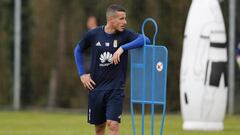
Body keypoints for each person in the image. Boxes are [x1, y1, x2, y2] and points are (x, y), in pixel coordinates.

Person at [74, 4, 150, 135]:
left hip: (116, 89)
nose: (125, 22)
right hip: (96, 88)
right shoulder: (94, 34)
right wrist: (82, 74)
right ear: (111, 19)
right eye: (121, 19)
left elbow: (146, 39)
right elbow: (78, 49)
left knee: (113, 125)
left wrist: (123, 48)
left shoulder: (126, 35)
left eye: (125, 18)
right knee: (99, 129)